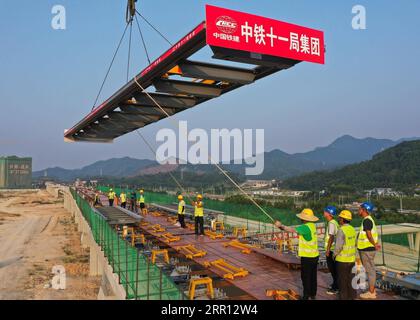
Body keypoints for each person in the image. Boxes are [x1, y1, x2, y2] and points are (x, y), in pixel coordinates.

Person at [275, 208, 319, 300]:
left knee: (305, 277)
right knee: (313, 276)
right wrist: (281, 227)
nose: (301, 219)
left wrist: (280, 225)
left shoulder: (305, 227)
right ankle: (313, 294)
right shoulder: (312, 226)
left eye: (302, 217)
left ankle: (306, 296)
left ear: (305, 218)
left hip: (307, 257)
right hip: (315, 255)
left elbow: (291, 230)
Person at [357, 202, 380, 299]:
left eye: (360, 208)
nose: (359, 210)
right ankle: (372, 290)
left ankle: (371, 292)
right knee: (370, 270)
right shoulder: (367, 220)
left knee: (370, 271)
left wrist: (374, 244)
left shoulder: (367, 220)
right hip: (366, 249)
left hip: (367, 250)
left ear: (364, 210)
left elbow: (368, 234)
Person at [333, 210, 357, 300]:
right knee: (351, 280)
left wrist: (334, 255)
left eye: (340, 218)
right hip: (351, 260)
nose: (339, 219)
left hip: (342, 261)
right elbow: (355, 243)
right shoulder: (352, 229)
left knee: (342, 281)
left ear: (343, 219)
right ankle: (352, 297)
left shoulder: (341, 230)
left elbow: (338, 246)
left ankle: (343, 297)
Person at [323, 205, 339, 295]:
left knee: (333, 269)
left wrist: (328, 249)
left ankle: (336, 287)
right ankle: (335, 284)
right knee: (334, 269)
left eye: (325, 211)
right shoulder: (333, 222)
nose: (324, 213)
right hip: (333, 249)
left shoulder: (332, 223)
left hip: (332, 250)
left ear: (329, 213)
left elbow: (331, 237)